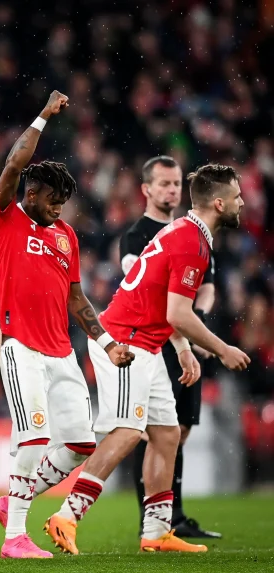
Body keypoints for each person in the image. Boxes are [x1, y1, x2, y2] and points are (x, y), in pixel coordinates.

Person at [46, 164, 250, 555]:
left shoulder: (185, 233)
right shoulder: (191, 243)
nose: (242, 203)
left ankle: (156, 533)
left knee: (167, 433)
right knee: (126, 432)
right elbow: (178, 313)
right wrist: (222, 349)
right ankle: (66, 515)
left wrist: (184, 349)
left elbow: (165, 306)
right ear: (220, 203)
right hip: (126, 342)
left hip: (147, 343)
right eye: (238, 197)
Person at [0, 91, 134, 559]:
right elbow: (12, 166)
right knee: (32, 438)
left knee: (80, 443)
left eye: (65, 201)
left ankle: (13, 503)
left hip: (61, 352)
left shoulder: (66, 237)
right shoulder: (4, 217)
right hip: (19, 347)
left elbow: (76, 298)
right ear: (31, 194)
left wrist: (106, 341)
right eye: (53, 200)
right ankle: (15, 540)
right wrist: (44, 116)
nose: (60, 208)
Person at [121, 156, 221, 539]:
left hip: (186, 340)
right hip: (153, 343)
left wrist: (195, 323)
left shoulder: (194, 233)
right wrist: (184, 325)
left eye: (176, 183)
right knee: (149, 432)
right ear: (146, 189)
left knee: (179, 431)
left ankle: (174, 515)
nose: (172, 190)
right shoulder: (135, 236)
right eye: (163, 184)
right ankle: (152, 517)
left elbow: (207, 286)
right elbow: (151, 295)